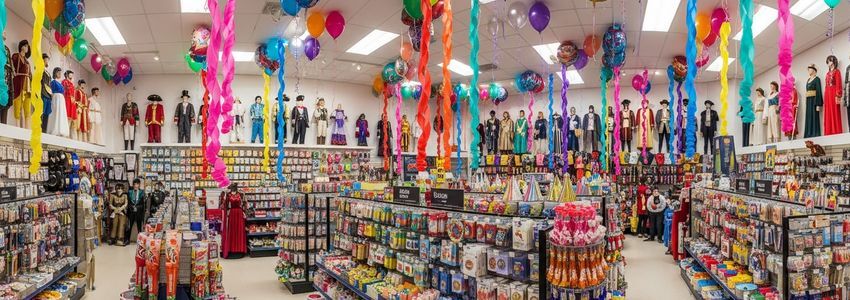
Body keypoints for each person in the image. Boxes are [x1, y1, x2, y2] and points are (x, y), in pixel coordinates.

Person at [220, 183, 246, 258]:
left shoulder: (241, 194)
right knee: (231, 231)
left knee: (239, 231)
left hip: (239, 214)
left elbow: (244, 204)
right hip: (231, 214)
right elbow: (224, 205)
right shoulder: (227, 194)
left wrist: (244, 212)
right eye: (232, 187)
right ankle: (231, 249)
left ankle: (239, 249)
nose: (233, 188)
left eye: (235, 187)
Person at [824, 55, 843, 135]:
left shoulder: (837, 72)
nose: (829, 62)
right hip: (827, 94)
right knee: (828, 112)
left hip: (834, 93)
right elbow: (826, 85)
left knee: (835, 111)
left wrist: (838, 95)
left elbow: (839, 84)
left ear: (834, 61)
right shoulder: (827, 73)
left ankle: (836, 131)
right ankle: (829, 131)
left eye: (830, 60)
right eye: (828, 61)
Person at [47, 67, 69, 137]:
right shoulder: (53, 82)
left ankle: (61, 130)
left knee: (61, 114)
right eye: (58, 73)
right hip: (56, 98)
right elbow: (52, 92)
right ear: (55, 73)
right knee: (56, 113)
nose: (60, 74)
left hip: (61, 99)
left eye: (60, 73)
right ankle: (55, 129)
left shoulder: (60, 83)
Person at [125, 179, 146, 245]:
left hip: (139, 212)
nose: (136, 186)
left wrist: (137, 208)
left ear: (139, 185)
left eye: (137, 184)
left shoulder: (142, 193)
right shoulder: (129, 192)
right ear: (133, 185)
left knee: (139, 227)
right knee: (129, 226)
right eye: (134, 184)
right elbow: (128, 202)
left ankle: (140, 241)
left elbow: (143, 204)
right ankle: (127, 240)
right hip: (131, 212)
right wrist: (132, 208)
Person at [805, 64, 823, 138]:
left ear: (813, 70)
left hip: (814, 100)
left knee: (814, 116)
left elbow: (818, 91)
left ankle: (815, 133)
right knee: (808, 116)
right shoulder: (808, 80)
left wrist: (818, 104)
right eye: (808, 69)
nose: (809, 70)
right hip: (808, 101)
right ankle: (808, 133)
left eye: (810, 69)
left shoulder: (817, 79)